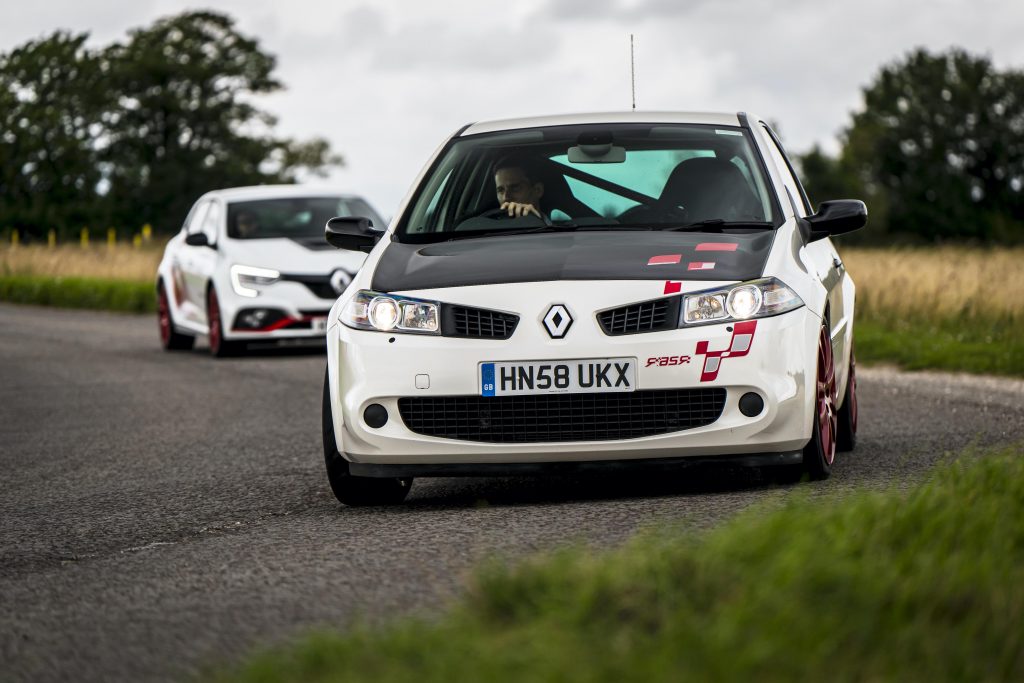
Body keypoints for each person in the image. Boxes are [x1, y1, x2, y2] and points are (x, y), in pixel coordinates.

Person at [493, 154, 546, 219]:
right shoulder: (490, 225)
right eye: (500, 190)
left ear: (538, 190)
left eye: (514, 188)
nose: (505, 198)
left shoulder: (557, 227)